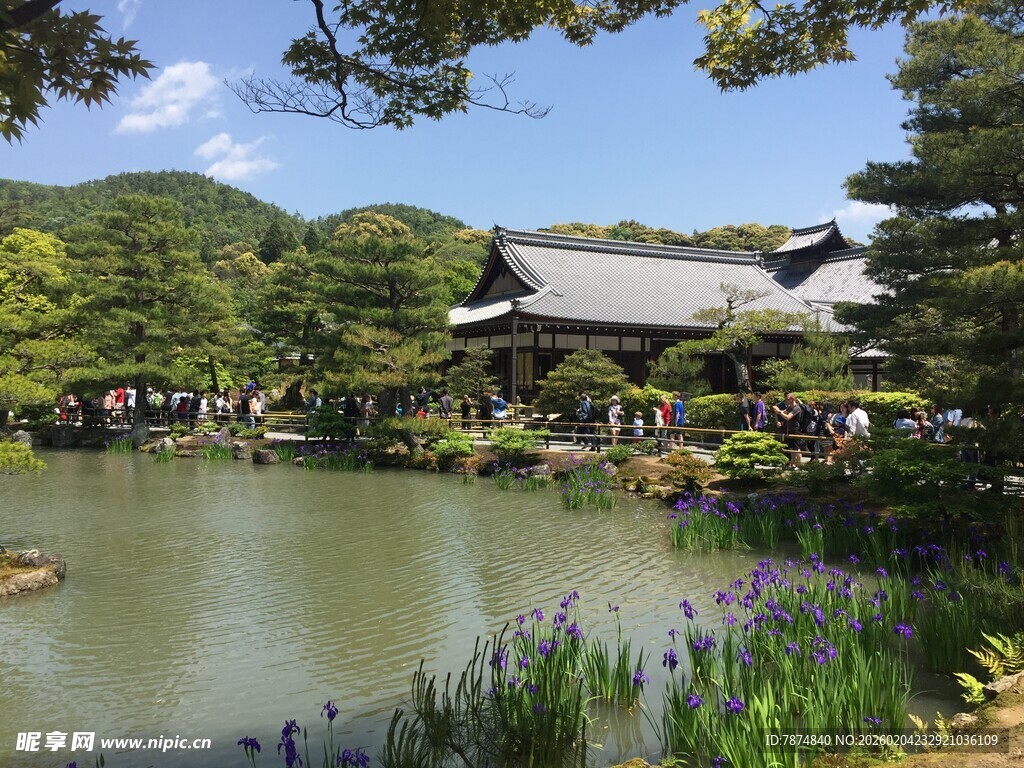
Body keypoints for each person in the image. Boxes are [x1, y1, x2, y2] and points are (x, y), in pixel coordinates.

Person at [771, 392, 806, 465]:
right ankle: (793, 464)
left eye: (787, 399)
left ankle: (799, 464)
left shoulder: (797, 408)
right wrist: (777, 410)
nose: (786, 401)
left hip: (796, 430)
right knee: (792, 448)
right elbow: (783, 412)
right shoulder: (790, 407)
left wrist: (780, 412)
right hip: (789, 429)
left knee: (796, 448)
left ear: (792, 399)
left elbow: (788, 417)